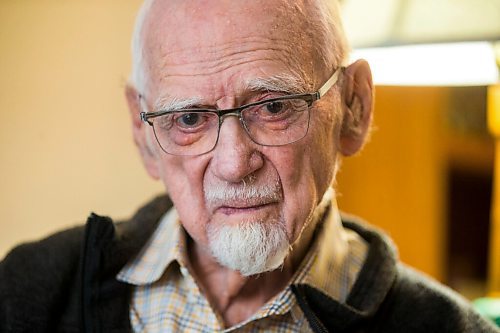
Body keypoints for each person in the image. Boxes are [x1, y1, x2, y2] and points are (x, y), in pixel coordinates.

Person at [1, 0, 498, 332]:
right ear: (142, 131)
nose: (235, 164)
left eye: (274, 107)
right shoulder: (28, 294)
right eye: (189, 118)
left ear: (354, 107)